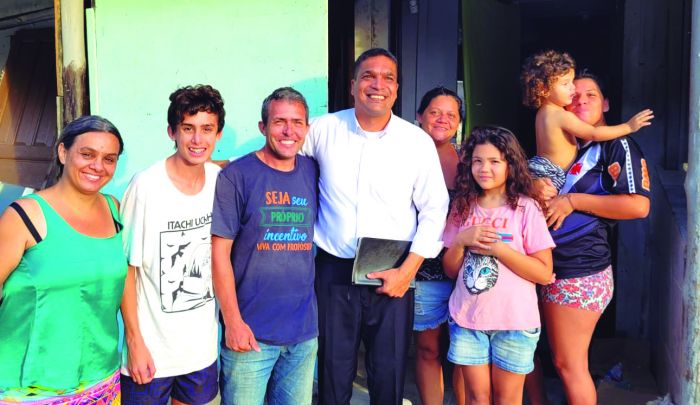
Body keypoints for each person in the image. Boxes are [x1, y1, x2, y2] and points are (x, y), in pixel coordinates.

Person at [302, 48, 449, 404]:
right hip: (334, 273)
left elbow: (435, 209)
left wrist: (407, 272)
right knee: (333, 373)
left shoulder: (416, 142)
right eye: (368, 76)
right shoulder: (323, 129)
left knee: (388, 375)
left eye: (387, 78)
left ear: (396, 90)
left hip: (394, 273)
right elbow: (280, 156)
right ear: (353, 85)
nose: (377, 85)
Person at [532, 71, 651, 405]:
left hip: (581, 267)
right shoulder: (571, 144)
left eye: (591, 95)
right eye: (575, 96)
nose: (581, 101)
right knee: (542, 353)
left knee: (569, 364)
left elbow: (639, 206)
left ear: (606, 104)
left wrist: (573, 200)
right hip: (550, 264)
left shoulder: (617, 145)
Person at [0, 115, 126, 403]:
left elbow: (122, 281)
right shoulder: (25, 215)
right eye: (87, 154)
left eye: (109, 159)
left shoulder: (113, 209)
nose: (98, 166)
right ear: (63, 152)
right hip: (30, 386)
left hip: (101, 377)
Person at [212, 87, 318, 405]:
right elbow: (219, 254)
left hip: (302, 334)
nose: (289, 131)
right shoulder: (237, 176)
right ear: (263, 127)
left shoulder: (312, 170)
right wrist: (232, 322)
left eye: (297, 122)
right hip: (249, 335)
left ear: (307, 128)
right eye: (279, 122)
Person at [119, 85, 224, 405]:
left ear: (218, 134)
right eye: (188, 128)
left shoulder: (220, 181)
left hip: (200, 351)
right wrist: (134, 342)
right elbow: (126, 269)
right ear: (172, 132)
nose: (197, 139)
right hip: (152, 352)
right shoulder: (146, 186)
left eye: (207, 129)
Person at [442, 126, 555, 405]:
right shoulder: (462, 207)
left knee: (507, 399)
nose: (484, 169)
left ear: (510, 164)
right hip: (468, 319)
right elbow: (450, 270)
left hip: (514, 321)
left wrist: (500, 250)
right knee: (476, 399)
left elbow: (543, 273)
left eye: (494, 161)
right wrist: (461, 241)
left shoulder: (526, 208)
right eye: (478, 161)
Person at [520, 50, 653, 190]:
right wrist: (628, 127)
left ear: (606, 104)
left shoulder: (543, 113)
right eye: (565, 84)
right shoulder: (560, 115)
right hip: (551, 175)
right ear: (543, 89)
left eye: (591, 95)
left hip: (539, 170)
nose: (572, 89)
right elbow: (593, 133)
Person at [413, 86, 465, 405]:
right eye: (435, 112)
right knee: (428, 348)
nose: (443, 120)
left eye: (451, 115)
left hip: (464, 268)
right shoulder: (404, 153)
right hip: (422, 268)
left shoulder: (470, 159)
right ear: (419, 116)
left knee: (464, 351)